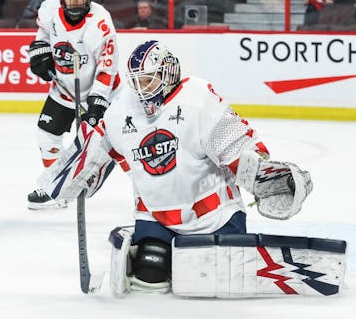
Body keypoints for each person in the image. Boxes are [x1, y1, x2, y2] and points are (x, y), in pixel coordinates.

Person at [38, 40, 323, 296]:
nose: (141, 90)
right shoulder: (120, 109)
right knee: (150, 275)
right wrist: (61, 183)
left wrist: (265, 179)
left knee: (215, 279)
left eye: (148, 80)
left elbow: (237, 147)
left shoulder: (198, 98)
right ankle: (151, 249)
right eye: (136, 82)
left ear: (168, 73)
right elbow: (93, 156)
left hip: (214, 215)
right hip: (155, 215)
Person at [26, 0, 120, 209]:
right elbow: (43, 34)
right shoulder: (49, 9)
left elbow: (107, 66)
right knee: (47, 137)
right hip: (63, 88)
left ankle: (147, 193)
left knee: (112, 145)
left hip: (100, 92)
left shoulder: (100, 21)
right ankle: (57, 187)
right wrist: (40, 51)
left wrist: (98, 101)